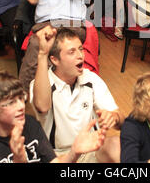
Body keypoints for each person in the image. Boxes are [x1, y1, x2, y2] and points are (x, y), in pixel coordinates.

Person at [0, 71, 106, 163]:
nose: (21, 106)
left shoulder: (30, 124)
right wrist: (19, 159)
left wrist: (74, 153)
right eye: (11, 102)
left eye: (21, 98)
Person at [30, 26, 123, 162]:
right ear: (55, 60)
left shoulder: (91, 78)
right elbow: (42, 106)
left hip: (91, 147)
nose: (80, 56)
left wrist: (114, 117)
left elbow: (122, 121)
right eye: (71, 52)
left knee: (119, 144)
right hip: (58, 155)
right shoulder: (41, 83)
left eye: (80, 49)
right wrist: (42, 54)